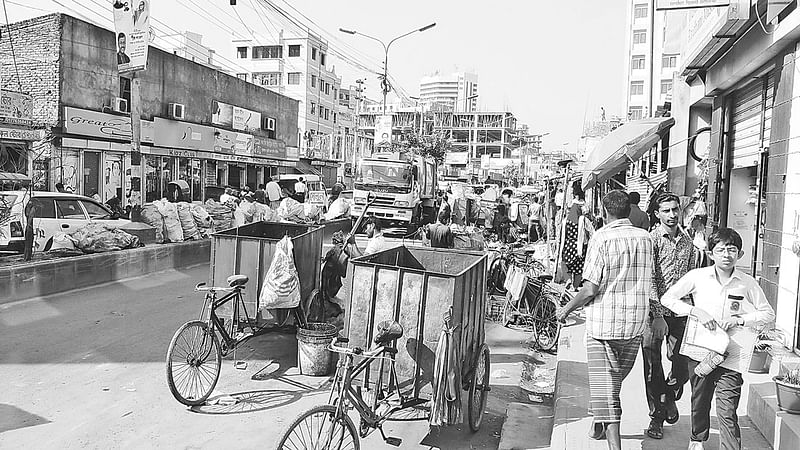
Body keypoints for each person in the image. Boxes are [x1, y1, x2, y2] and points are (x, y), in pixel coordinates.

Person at [659, 228, 775, 450]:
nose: (727, 255)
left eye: (732, 250)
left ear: (740, 254)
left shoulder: (746, 282)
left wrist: (741, 320)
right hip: (701, 349)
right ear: (711, 253)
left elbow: (767, 313)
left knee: (728, 407)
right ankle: (697, 438)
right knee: (700, 399)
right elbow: (668, 298)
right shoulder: (697, 276)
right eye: (721, 250)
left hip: (732, 352)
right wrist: (695, 312)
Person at [556, 190, 653, 450]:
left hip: (604, 324)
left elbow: (590, 288)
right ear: (629, 210)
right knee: (612, 381)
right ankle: (598, 423)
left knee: (606, 386)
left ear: (604, 209)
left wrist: (566, 309)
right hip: (635, 323)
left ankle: (614, 446)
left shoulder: (601, 237)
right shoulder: (646, 238)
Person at [642, 192, 697, 440]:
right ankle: (657, 415)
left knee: (682, 363)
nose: (672, 215)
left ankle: (668, 393)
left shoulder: (687, 241)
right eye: (667, 211)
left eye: (675, 210)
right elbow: (649, 278)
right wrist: (657, 314)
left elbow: (692, 277)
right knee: (653, 366)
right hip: (654, 314)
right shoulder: (651, 240)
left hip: (681, 312)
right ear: (657, 214)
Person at [559, 186, 593, 290]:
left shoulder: (565, 221)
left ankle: (568, 279)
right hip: (580, 247)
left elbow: (560, 235)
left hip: (568, 246)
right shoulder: (583, 220)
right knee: (578, 267)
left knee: (565, 263)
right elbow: (592, 232)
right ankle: (575, 287)